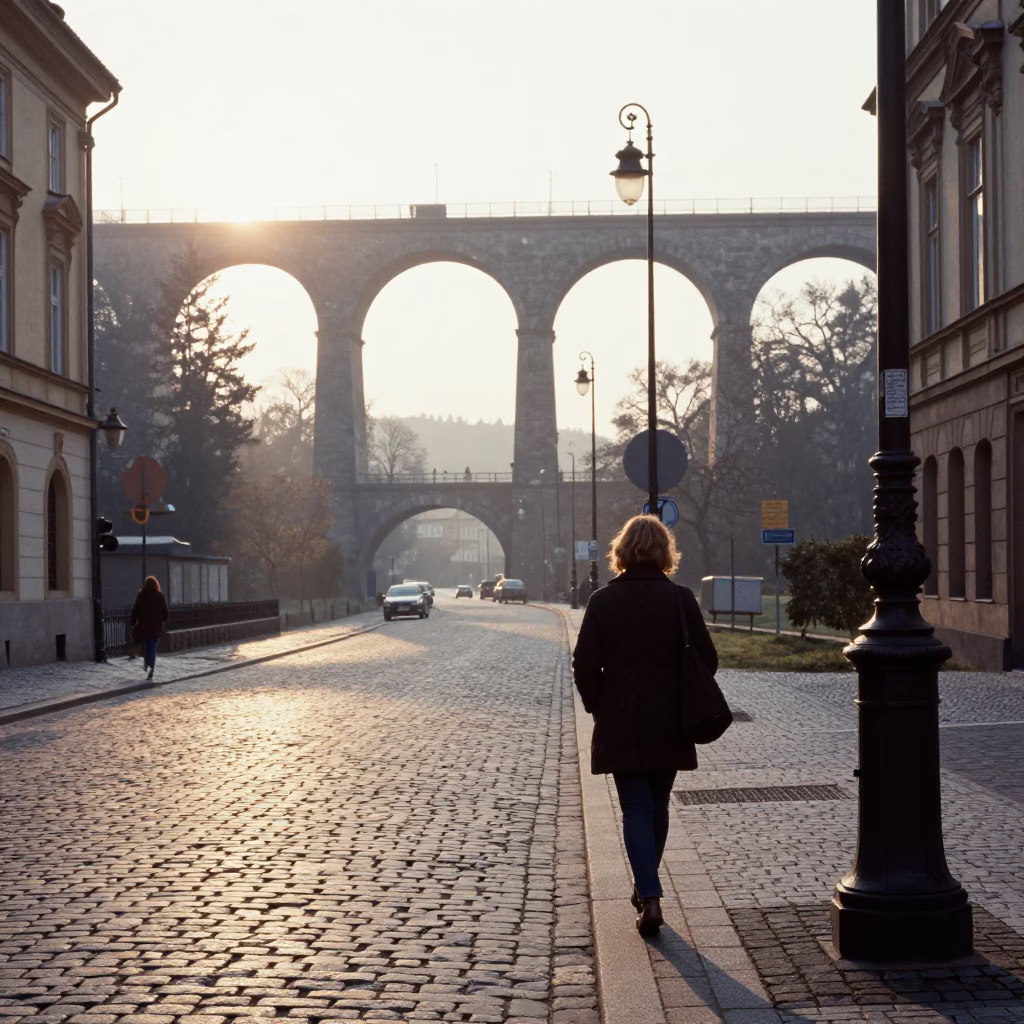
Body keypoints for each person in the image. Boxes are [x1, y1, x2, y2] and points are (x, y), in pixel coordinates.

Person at [572, 515, 718, 937]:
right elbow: (707, 659)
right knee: (658, 803)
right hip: (669, 718)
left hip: (621, 718)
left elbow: (584, 663)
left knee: (635, 806)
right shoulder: (679, 598)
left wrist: (598, 702)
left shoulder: (602, 601)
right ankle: (647, 888)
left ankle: (649, 895)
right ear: (664, 552)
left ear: (621, 553)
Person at [130, 575, 169, 680]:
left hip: (144, 626)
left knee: (146, 647)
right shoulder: (160, 596)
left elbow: (135, 610)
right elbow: (166, 612)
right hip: (156, 627)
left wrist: (133, 622)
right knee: (152, 647)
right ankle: (151, 667)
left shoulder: (141, 595)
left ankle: (147, 663)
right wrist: (162, 620)